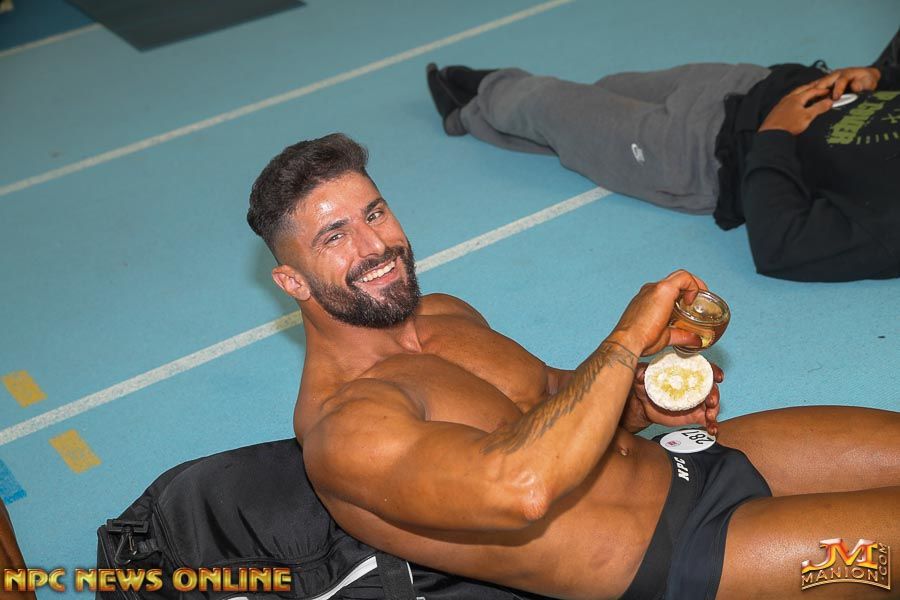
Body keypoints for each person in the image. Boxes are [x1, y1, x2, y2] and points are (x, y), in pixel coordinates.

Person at [246, 133, 899, 600]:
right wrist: (626, 339)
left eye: (374, 213)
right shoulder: (346, 427)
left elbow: (555, 396)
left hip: (689, 459)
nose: (376, 246)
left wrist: (640, 399)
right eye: (335, 237)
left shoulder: (443, 314)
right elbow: (522, 487)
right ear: (291, 281)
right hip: (684, 557)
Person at [425, 29, 900, 282]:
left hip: (700, 154)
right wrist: (880, 75)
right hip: (743, 83)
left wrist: (775, 133)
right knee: (597, 97)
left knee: (546, 105)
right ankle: (484, 112)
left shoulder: (888, 231)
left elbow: (782, 245)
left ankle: (471, 104)